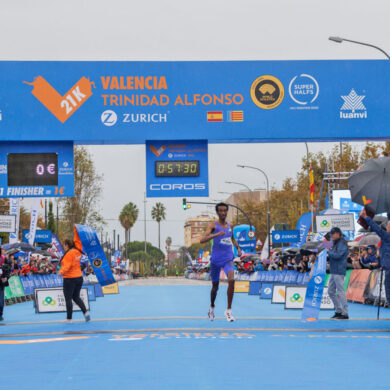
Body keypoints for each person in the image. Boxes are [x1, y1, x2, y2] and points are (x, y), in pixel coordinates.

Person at [200, 202, 242, 322]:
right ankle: (212, 307)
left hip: (228, 259)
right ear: (217, 212)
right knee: (215, 288)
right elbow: (202, 240)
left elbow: (232, 237)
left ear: (227, 212)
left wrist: (238, 247)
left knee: (232, 280)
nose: (223, 213)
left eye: (225, 211)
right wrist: (216, 234)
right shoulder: (213, 225)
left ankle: (228, 310)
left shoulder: (230, 225)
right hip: (215, 260)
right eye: (221, 211)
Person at [360, 209, 390, 305]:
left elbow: (377, 228)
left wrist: (366, 217)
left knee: (388, 289)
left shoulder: (387, 236)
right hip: (386, 266)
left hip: (389, 268)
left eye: (388, 226)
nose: (386, 228)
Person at [58, 239, 90, 323]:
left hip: (69, 278)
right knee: (76, 297)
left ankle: (69, 318)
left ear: (67, 245)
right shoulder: (77, 251)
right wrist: (76, 229)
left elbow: (67, 266)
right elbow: (78, 241)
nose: (63, 247)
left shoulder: (69, 254)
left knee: (68, 298)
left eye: (64, 245)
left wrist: (61, 272)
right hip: (79, 277)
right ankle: (85, 313)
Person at [327, 227, 349, 320]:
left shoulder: (342, 243)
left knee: (340, 292)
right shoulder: (335, 243)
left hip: (339, 270)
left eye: (332, 234)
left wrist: (329, 252)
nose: (331, 236)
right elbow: (334, 255)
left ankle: (345, 313)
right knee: (330, 291)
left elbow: (338, 255)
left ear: (337, 234)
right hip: (334, 270)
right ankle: (338, 311)